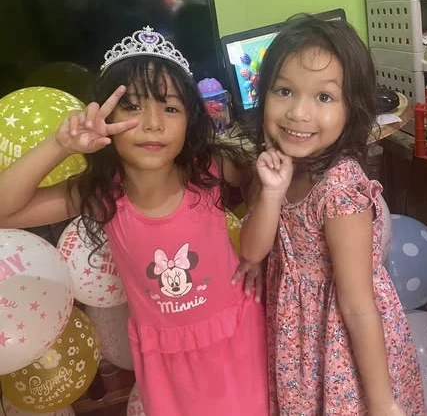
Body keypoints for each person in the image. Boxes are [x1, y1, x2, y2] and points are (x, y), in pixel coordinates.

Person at [0, 25, 268, 416]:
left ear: (190, 120)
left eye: (170, 108)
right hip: (166, 361)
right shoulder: (102, 194)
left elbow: (262, 180)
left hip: (238, 339)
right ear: (105, 115)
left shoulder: (210, 169)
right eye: (132, 106)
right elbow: (6, 210)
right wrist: (60, 145)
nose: (153, 123)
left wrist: (256, 253)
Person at [239, 15, 425, 415]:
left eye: (324, 97)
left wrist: (381, 403)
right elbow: (252, 250)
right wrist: (271, 193)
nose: (298, 113)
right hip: (298, 338)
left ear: (351, 109)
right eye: (284, 91)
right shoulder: (274, 165)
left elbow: (357, 306)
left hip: (343, 342)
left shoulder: (340, 192)